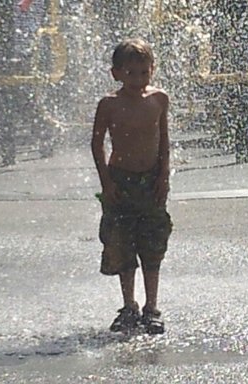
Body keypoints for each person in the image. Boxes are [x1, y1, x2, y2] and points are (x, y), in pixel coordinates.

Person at [91, 38, 173, 335]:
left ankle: (152, 307)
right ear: (116, 73)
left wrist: (163, 176)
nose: (137, 80)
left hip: (150, 181)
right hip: (121, 181)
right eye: (130, 73)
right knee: (121, 243)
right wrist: (106, 181)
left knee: (152, 244)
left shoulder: (159, 99)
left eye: (143, 73)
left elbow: (163, 140)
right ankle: (129, 306)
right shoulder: (109, 104)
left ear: (152, 70)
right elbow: (97, 144)